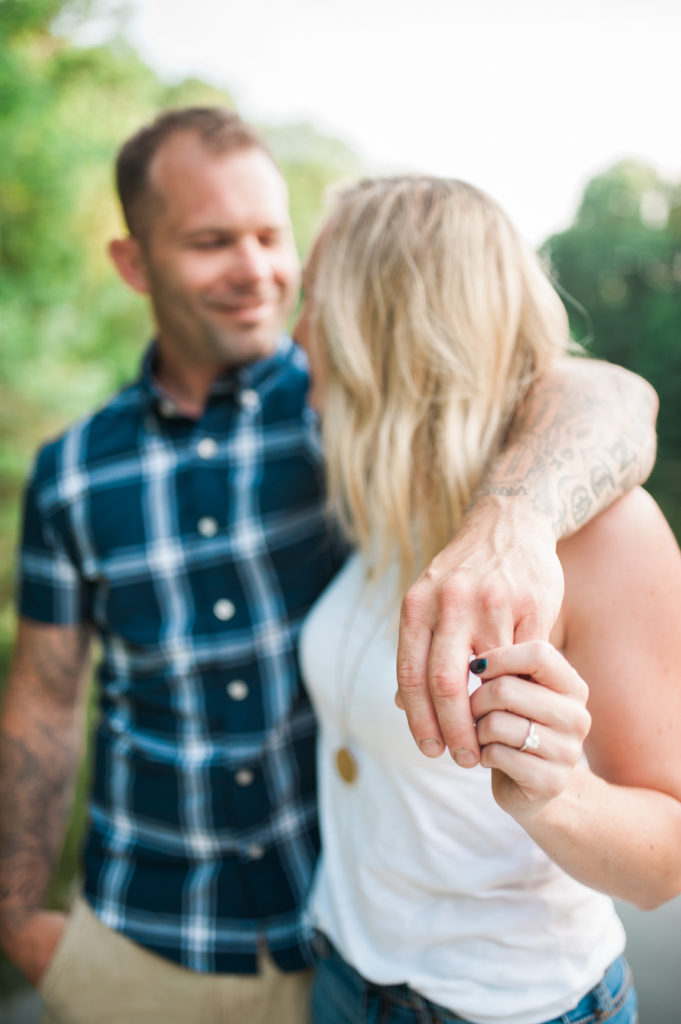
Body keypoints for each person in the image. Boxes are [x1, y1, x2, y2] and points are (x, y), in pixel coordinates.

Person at [0, 108, 658, 1024]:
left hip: (403, 980)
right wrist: (19, 917)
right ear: (133, 264)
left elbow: (604, 393)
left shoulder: (384, 434)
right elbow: (43, 697)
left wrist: (512, 518)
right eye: (209, 241)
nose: (269, 289)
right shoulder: (92, 468)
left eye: (276, 242)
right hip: (220, 955)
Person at [295, 174, 681, 1024]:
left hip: (510, 1006)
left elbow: (667, 859)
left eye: (314, 303)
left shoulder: (605, 535)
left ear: (381, 332)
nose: (294, 332)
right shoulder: (388, 498)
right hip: (344, 974)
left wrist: (559, 796)